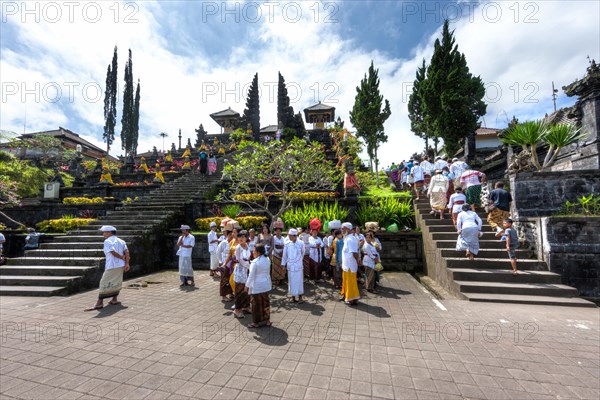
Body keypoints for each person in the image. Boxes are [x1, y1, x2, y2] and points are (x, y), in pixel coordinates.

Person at [85, 226, 129, 311]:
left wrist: (121, 257)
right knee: (117, 281)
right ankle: (114, 299)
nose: (103, 234)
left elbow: (112, 252)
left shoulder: (107, 241)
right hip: (120, 265)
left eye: (104, 232)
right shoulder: (121, 241)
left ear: (109, 232)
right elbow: (127, 252)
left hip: (112, 265)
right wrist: (127, 263)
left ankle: (99, 303)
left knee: (103, 282)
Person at [245, 243, 272, 328]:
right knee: (265, 303)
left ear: (258, 252)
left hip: (257, 285)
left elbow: (251, 275)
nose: (253, 252)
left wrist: (247, 285)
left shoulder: (255, 262)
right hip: (266, 284)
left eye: (254, 251)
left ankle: (255, 322)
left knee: (256, 304)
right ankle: (267, 320)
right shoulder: (267, 259)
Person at [281, 228, 305, 303]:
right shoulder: (287, 244)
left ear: (295, 236)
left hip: (298, 266)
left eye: (290, 236)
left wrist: (298, 260)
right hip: (290, 266)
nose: (289, 237)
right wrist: (283, 265)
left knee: (299, 281)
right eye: (289, 235)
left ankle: (300, 298)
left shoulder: (301, 243)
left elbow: (303, 253)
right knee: (291, 281)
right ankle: (293, 297)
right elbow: (285, 255)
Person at [340, 222, 361, 305]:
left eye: (343, 228)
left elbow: (354, 253)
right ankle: (347, 296)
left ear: (348, 229)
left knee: (350, 282)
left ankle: (351, 299)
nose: (342, 230)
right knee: (346, 282)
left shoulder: (350, 239)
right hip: (346, 265)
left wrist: (358, 262)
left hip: (350, 265)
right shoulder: (347, 238)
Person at [233, 230, 251, 318]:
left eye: (243, 237)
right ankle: (237, 309)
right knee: (239, 290)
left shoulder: (248, 246)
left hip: (247, 270)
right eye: (239, 236)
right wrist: (249, 266)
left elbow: (249, 257)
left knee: (246, 289)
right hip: (240, 270)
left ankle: (246, 306)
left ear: (247, 238)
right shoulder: (238, 248)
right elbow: (239, 259)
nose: (240, 238)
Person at [216, 230, 233, 299]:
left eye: (232, 235)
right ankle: (223, 295)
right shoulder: (224, 243)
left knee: (230, 279)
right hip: (224, 264)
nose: (231, 237)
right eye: (230, 235)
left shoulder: (234, 243)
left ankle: (230, 293)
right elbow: (218, 252)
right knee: (224, 279)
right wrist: (220, 261)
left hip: (232, 264)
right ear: (227, 235)